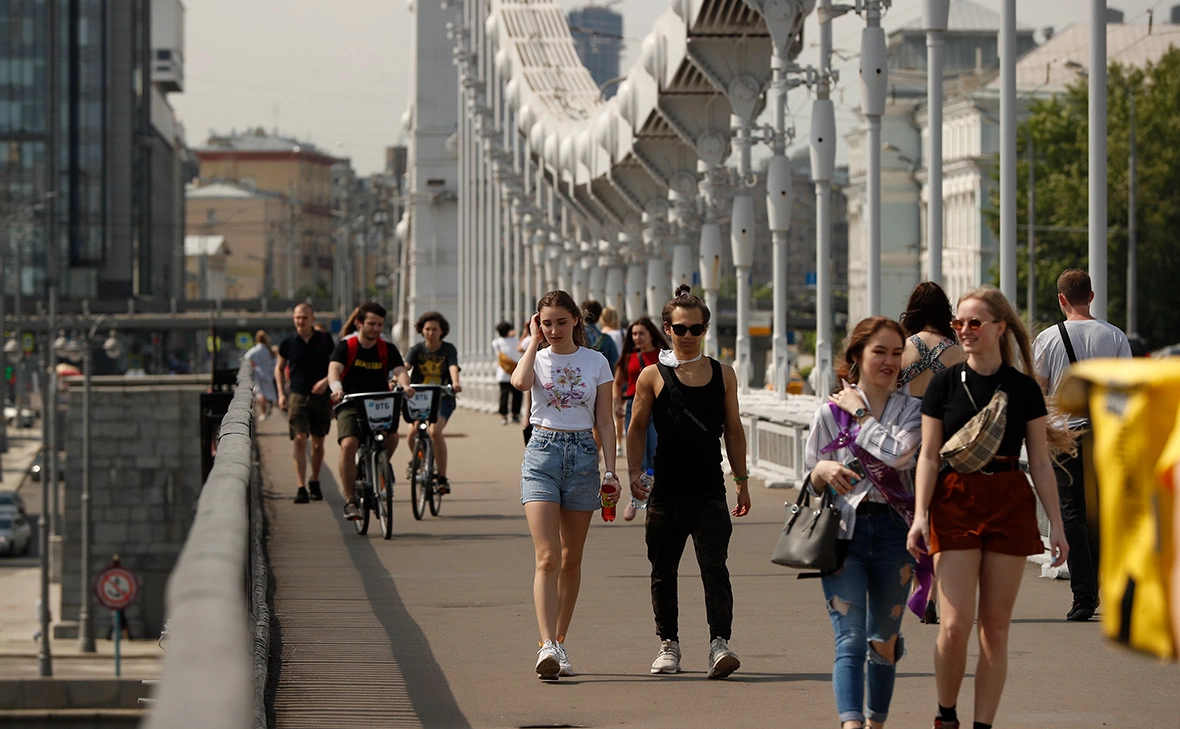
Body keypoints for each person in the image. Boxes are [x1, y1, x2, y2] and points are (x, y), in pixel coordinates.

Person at [907, 286, 1069, 729]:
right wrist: (921, 515)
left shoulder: (1023, 390)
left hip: (1008, 500)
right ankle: (946, 715)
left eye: (974, 322)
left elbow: (1038, 460)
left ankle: (982, 725)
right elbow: (928, 454)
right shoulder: (944, 383)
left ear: (1000, 327)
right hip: (954, 499)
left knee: (995, 630)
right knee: (955, 625)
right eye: (959, 322)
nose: (964, 330)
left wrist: (1056, 524)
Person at [804, 317, 923, 729]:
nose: (890, 361)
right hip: (843, 536)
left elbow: (897, 456)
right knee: (850, 640)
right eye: (880, 352)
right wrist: (822, 470)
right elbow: (810, 475)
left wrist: (859, 413)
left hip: (896, 534)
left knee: (883, 641)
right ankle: (852, 724)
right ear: (857, 356)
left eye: (896, 353)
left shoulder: (914, 412)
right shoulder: (828, 413)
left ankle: (876, 722)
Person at [627, 285, 750, 679]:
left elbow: (733, 428)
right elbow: (636, 427)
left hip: (709, 489)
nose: (689, 336)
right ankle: (669, 645)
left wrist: (742, 479)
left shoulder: (723, 374)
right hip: (666, 491)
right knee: (663, 570)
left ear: (706, 329)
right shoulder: (652, 376)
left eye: (696, 329)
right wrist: (632, 474)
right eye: (681, 329)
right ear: (667, 329)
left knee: (715, 568)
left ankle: (720, 645)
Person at [511, 290, 618, 680]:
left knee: (571, 558)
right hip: (542, 451)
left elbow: (605, 420)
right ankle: (546, 646)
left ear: (576, 320)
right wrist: (533, 343)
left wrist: (611, 469)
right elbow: (520, 383)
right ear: (537, 324)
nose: (553, 329)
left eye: (560, 321)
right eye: (546, 322)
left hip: (584, 457)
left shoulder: (597, 361)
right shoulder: (537, 358)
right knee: (547, 557)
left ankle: (559, 641)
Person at [1033, 269, 1131, 622]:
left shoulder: (1047, 339)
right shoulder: (1115, 336)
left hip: (1063, 436)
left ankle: (1083, 595)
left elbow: (1038, 392)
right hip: (1104, 434)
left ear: (1061, 299)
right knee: (1100, 510)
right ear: (1091, 296)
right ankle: (1100, 582)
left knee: (1070, 512)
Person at [898, 281, 965, 624]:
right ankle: (930, 592)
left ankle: (909, 586)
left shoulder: (901, 349)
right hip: (941, 442)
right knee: (936, 519)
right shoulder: (955, 353)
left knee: (910, 518)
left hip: (904, 441)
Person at [327, 301, 414, 521]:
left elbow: (400, 370)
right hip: (350, 402)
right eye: (371, 324)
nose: (376, 329)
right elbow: (334, 370)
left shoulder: (387, 348)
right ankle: (351, 500)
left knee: (392, 437)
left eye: (379, 325)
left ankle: (381, 465)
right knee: (349, 445)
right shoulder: (347, 346)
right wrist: (336, 389)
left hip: (379, 402)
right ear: (359, 323)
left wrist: (405, 384)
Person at [276, 303, 335, 504]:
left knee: (318, 443)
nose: (301, 321)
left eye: (305, 317)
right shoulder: (288, 342)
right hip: (297, 394)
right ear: (293, 318)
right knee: (300, 438)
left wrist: (326, 382)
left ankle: (315, 480)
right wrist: (281, 393)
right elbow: (279, 368)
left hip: (320, 395)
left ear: (312, 318)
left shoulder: (325, 340)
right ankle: (301, 487)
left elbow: (335, 365)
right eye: (297, 318)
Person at [614, 316, 669, 521]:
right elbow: (618, 381)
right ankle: (635, 498)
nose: (637, 338)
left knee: (653, 455)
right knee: (636, 455)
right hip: (633, 407)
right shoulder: (630, 357)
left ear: (651, 335)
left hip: (658, 409)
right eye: (634, 334)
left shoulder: (664, 357)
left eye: (641, 333)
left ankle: (651, 497)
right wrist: (616, 402)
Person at [404, 311, 462, 494]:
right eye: (427, 329)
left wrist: (455, 383)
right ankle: (418, 459)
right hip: (419, 398)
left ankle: (442, 478)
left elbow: (453, 366)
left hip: (443, 397)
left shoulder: (448, 349)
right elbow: (404, 367)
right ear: (421, 330)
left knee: (435, 431)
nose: (430, 332)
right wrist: (396, 380)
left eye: (434, 329)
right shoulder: (416, 350)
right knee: (412, 432)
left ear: (441, 331)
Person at [600, 306, 626, 453]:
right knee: (619, 411)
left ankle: (602, 445)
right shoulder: (623, 333)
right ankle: (619, 444)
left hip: (605, 375)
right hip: (621, 375)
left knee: (603, 412)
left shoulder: (602, 335)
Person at [491, 321, 523, 425]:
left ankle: (504, 416)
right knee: (517, 395)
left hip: (502, 373)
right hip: (515, 371)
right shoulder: (516, 341)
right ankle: (515, 415)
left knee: (504, 396)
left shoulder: (496, 342)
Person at [244, 330, 279, 420]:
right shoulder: (268, 349)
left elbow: (246, 357)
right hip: (268, 373)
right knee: (268, 391)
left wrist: (253, 363)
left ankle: (264, 412)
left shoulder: (256, 349)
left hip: (259, 374)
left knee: (260, 394)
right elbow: (274, 361)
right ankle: (269, 403)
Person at [580, 299, 620, 371]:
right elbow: (615, 365)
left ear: (582, 314)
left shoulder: (576, 336)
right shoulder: (607, 339)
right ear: (599, 316)